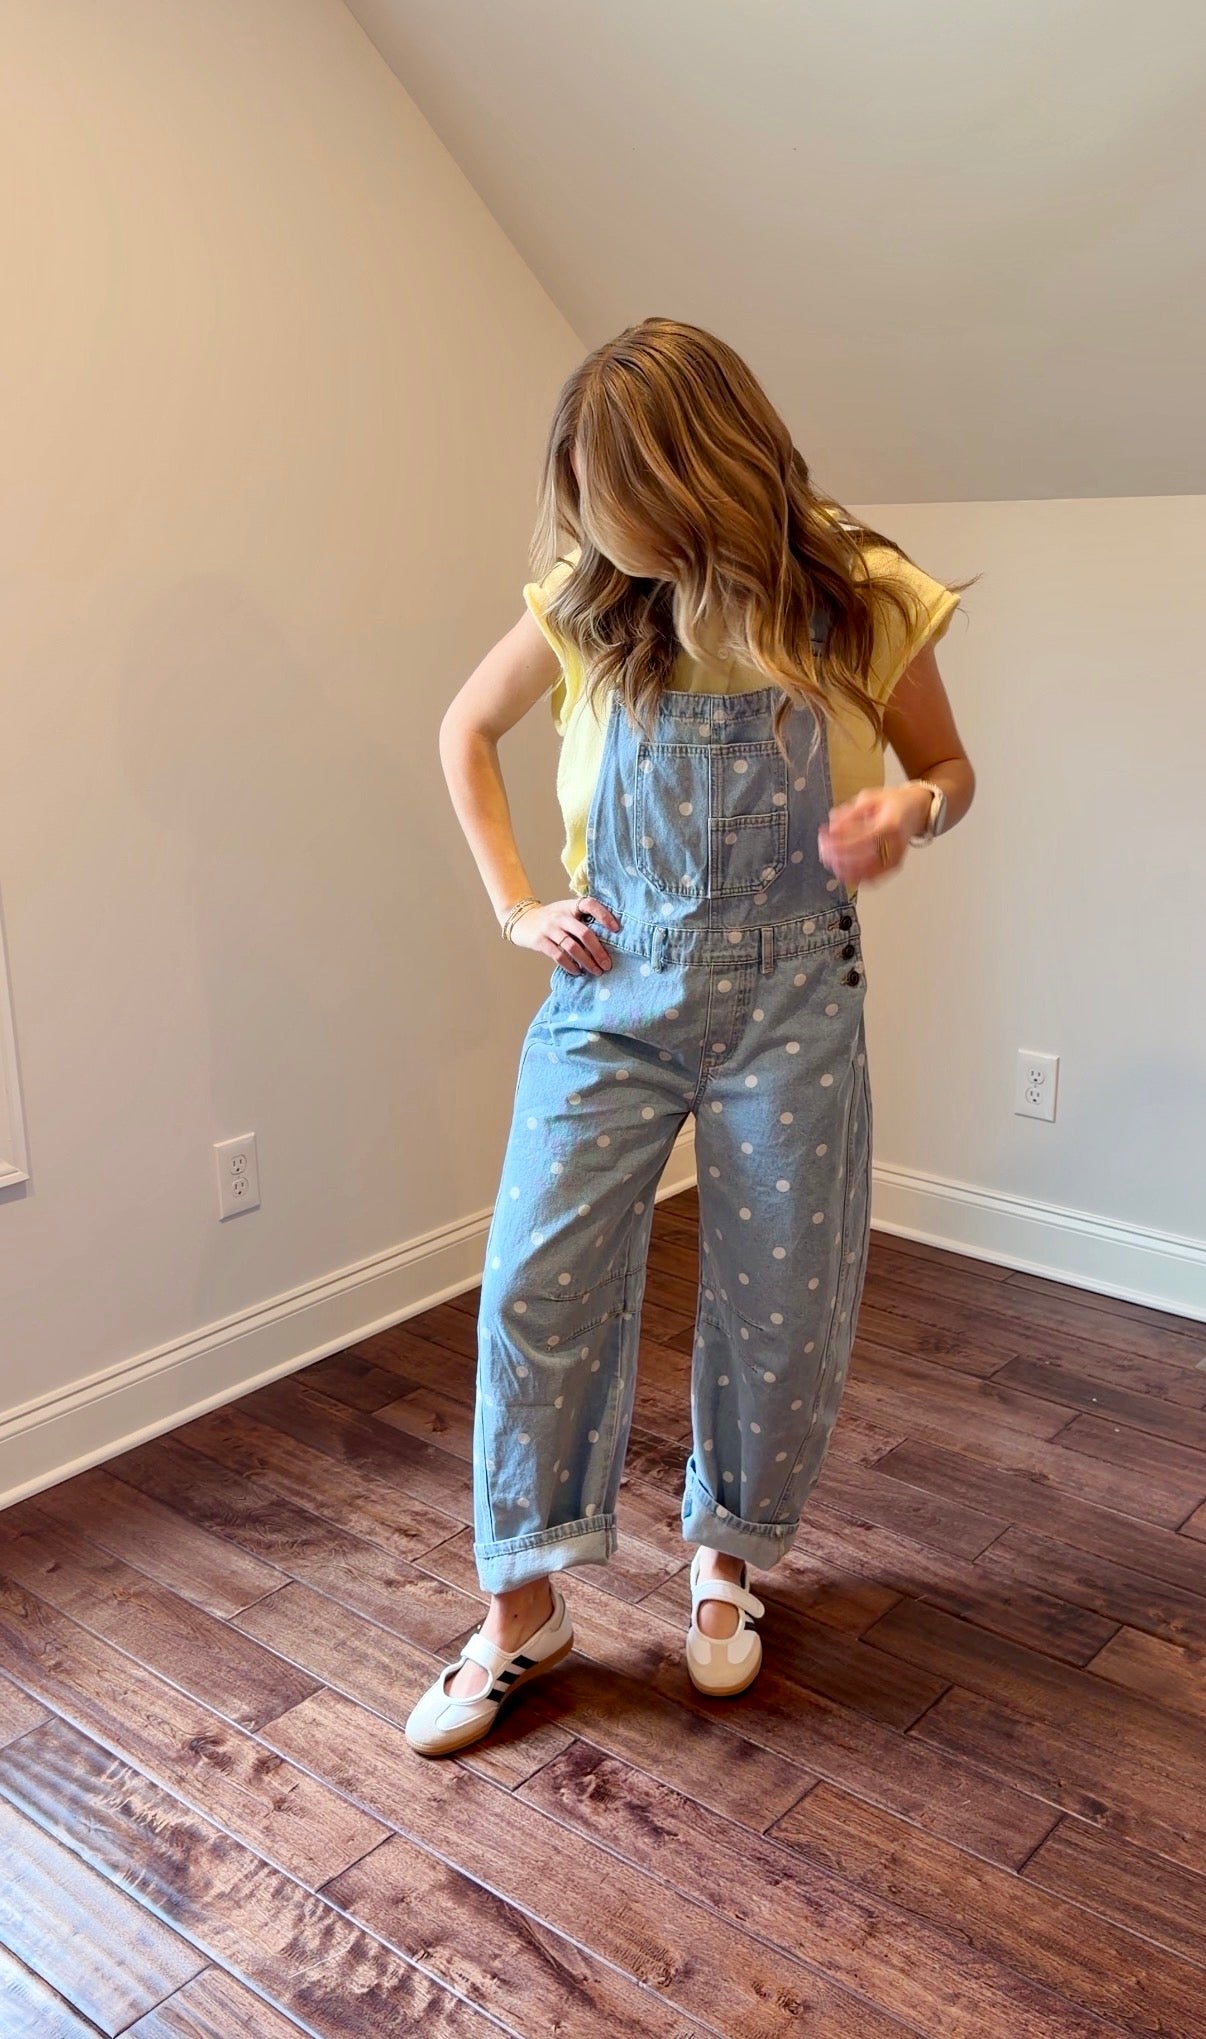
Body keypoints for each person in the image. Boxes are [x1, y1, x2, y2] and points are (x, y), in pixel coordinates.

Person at [408, 318, 975, 1756]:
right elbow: (461, 733)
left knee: (774, 1291)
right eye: (585, 506)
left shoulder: (857, 596)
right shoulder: (588, 600)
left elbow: (951, 771)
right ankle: (519, 1610)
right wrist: (513, 906)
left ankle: (725, 1558)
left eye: (622, 504)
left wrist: (906, 812)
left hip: (794, 997)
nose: (598, 532)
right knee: (534, 1278)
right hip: (609, 992)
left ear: (700, 478)